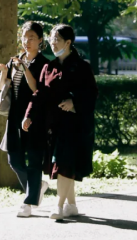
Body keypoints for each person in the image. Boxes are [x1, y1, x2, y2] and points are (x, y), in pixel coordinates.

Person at [23, 23, 98, 220]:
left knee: (64, 163)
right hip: (53, 125)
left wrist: (74, 102)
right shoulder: (49, 66)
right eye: (51, 39)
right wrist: (28, 115)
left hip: (75, 125)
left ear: (68, 42)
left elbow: (91, 94)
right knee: (63, 165)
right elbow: (39, 93)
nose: (52, 43)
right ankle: (71, 205)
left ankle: (58, 205)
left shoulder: (82, 67)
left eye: (56, 39)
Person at [0, 21, 48, 218]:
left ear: (40, 40)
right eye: (24, 37)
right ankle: (36, 187)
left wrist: (25, 68)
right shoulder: (16, 60)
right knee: (14, 159)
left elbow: (36, 89)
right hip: (15, 117)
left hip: (34, 117)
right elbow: (3, 87)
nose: (27, 41)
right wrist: (5, 72)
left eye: (32, 38)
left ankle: (28, 201)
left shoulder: (43, 64)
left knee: (34, 160)